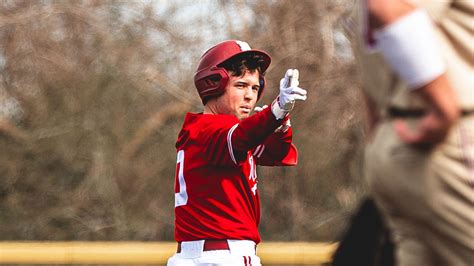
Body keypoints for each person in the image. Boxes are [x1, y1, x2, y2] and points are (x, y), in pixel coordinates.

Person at [351, 0, 474, 265]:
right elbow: (385, 8)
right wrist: (442, 106)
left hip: (397, 135)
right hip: (446, 140)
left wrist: (380, 139)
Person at [167, 40, 307, 266]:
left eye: (255, 87)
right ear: (213, 83)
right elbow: (242, 137)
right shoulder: (209, 129)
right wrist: (277, 109)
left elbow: (277, 153)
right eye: (241, 85)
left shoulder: (205, 130)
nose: (250, 95)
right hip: (220, 257)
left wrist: (280, 124)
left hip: (203, 256)